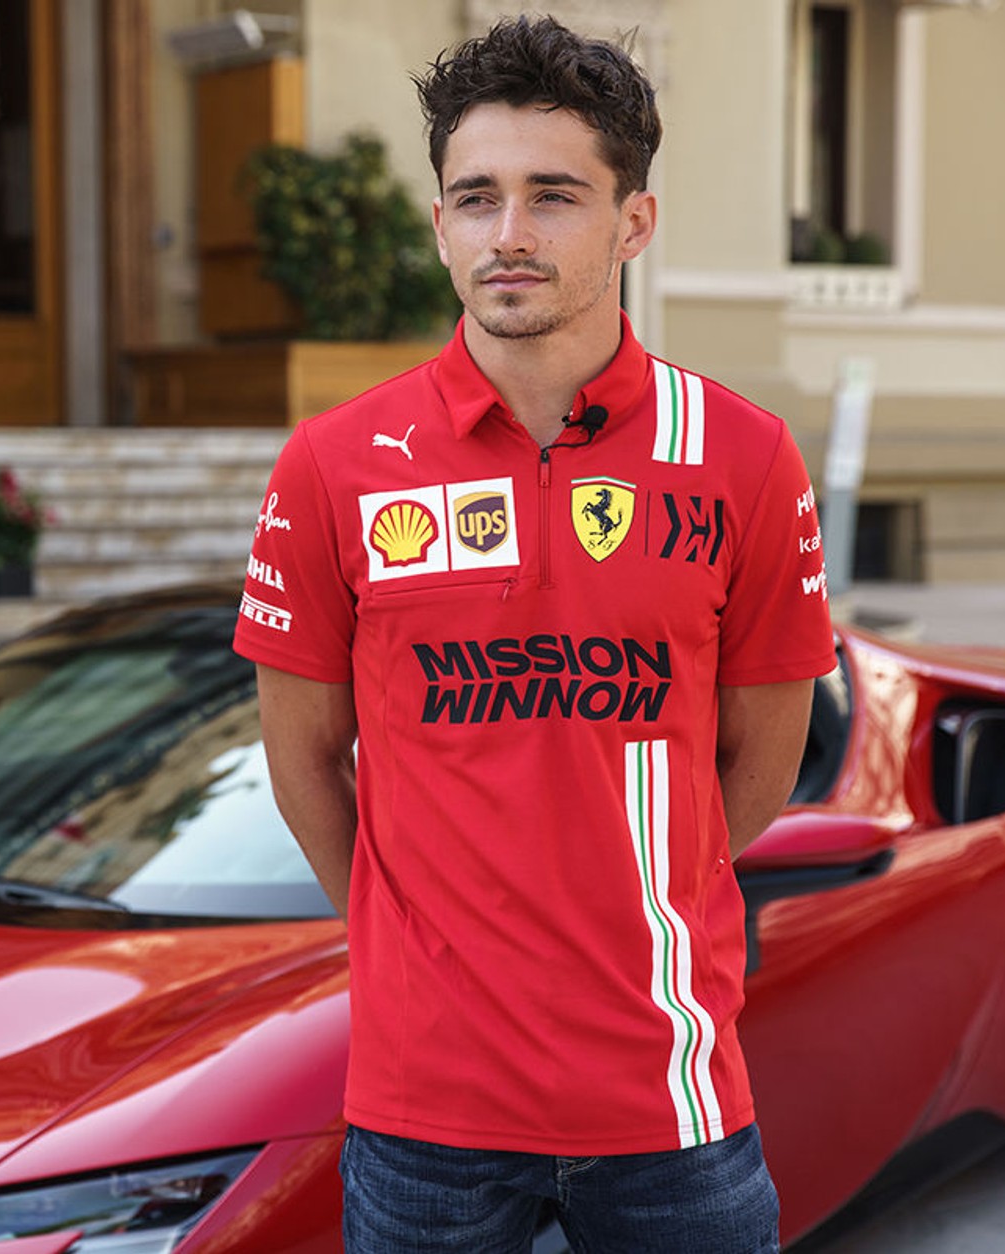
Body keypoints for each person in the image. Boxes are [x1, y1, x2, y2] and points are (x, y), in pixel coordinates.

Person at [232, 15, 836, 1253]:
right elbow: (302, 758)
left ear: (632, 224)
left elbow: (760, 759)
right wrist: (417, 946)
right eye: (476, 198)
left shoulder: (742, 459)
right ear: (439, 224)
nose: (507, 234)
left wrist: (626, 911)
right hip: (424, 1110)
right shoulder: (336, 465)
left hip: (667, 1094)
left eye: (551, 195)